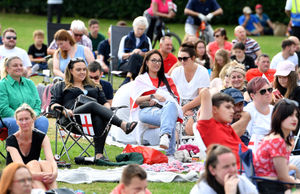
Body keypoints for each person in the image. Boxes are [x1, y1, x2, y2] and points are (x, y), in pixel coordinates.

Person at [50, 58, 137, 160]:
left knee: (100, 116)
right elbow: (53, 105)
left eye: (84, 69)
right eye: (78, 70)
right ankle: (122, 124)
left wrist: (107, 111)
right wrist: (64, 111)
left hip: (93, 122)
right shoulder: (61, 86)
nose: (82, 72)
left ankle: (99, 155)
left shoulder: (94, 86)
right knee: (92, 104)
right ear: (70, 70)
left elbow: (105, 103)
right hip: (73, 117)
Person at [130, 50, 182, 155]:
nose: (157, 63)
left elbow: (175, 100)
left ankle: (165, 139)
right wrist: (152, 96)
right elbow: (136, 100)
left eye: (159, 61)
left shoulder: (168, 79)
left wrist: (164, 102)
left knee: (170, 109)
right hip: (146, 111)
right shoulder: (141, 79)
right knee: (169, 116)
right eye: (153, 60)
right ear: (147, 62)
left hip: (165, 109)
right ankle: (169, 148)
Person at [6, 104, 57, 191]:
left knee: (45, 164)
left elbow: (51, 160)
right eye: (20, 120)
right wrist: (40, 175)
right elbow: (21, 168)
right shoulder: (11, 140)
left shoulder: (42, 137)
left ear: (33, 119)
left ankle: (54, 192)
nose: (24, 122)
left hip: (33, 174)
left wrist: (54, 174)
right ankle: (45, 192)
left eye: (27, 119)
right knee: (33, 163)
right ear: (17, 122)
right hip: (16, 175)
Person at [254, 99, 300, 193]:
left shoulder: (274, 137)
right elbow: (283, 177)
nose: (294, 119)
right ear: (279, 117)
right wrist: (297, 183)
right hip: (269, 187)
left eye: (296, 115)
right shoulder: (277, 141)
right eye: (290, 115)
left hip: (266, 184)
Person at [196, 88, 248, 165]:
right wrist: (209, 105)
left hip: (248, 166)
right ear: (214, 109)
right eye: (228, 107)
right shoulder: (208, 125)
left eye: (232, 107)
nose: (232, 111)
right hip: (238, 172)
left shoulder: (227, 126)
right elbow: (204, 92)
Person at [0, 56, 49, 136]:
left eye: (21, 65)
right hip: (8, 117)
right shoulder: (2, 85)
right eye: (15, 65)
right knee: (15, 123)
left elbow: (37, 103)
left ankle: (35, 147)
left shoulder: (30, 83)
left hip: (31, 117)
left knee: (43, 120)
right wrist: (22, 118)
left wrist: (32, 117)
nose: (19, 67)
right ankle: (14, 148)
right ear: (7, 69)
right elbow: (3, 109)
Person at [171, 44, 210, 135]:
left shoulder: (202, 71)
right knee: (175, 126)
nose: (182, 61)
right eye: (180, 59)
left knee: (190, 127)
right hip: (178, 103)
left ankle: (189, 146)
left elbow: (202, 97)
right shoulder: (176, 72)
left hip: (197, 104)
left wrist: (185, 108)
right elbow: (172, 94)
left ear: (192, 58)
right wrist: (181, 108)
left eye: (185, 58)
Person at [190, 144, 258, 194]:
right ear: (212, 170)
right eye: (226, 167)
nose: (232, 170)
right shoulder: (202, 190)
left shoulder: (242, 183)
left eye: (233, 165)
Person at [118, 16, 152, 86]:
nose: (140, 31)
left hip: (141, 64)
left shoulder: (147, 39)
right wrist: (132, 53)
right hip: (126, 65)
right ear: (134, 27)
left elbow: (151, 55)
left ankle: (128, 78)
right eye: (138, 29)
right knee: (134, 56)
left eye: (142, 29)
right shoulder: (125, 38)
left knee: (137, 58)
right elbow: (120, 56)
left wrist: (141, 53)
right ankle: (132, 81)